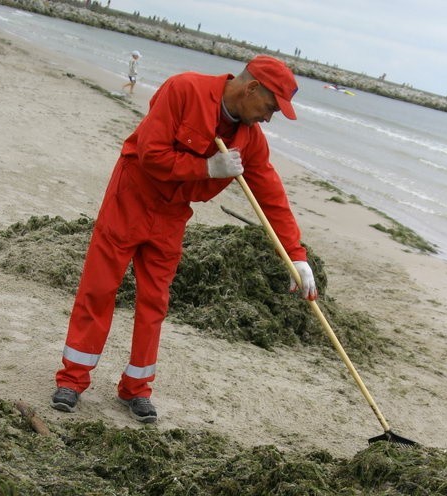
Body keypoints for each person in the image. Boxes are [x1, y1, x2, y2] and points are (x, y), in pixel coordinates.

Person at [51, 55, 318, 423]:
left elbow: (271, 197)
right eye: (270, 107)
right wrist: (206, 167)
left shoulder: (250, 141)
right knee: (99, 287)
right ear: (252, 87)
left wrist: (296, 255)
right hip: (131, 196)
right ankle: (72, 379)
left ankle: (137, 388)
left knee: (155, 300)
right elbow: (150, 152)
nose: (269, 118)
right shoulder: (184, 89)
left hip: (172, 214)